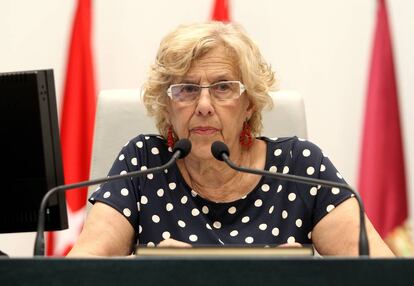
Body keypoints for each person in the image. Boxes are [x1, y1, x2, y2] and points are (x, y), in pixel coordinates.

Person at [68, 21, 394, 257]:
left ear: (249, 103)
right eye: (187, 89)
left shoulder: (299, 167)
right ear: (167, 104)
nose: (204, 106)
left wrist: (302, 280)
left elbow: (380, 274)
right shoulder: (144, 163)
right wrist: (146, 274)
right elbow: (79, 272)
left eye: (223, 88)